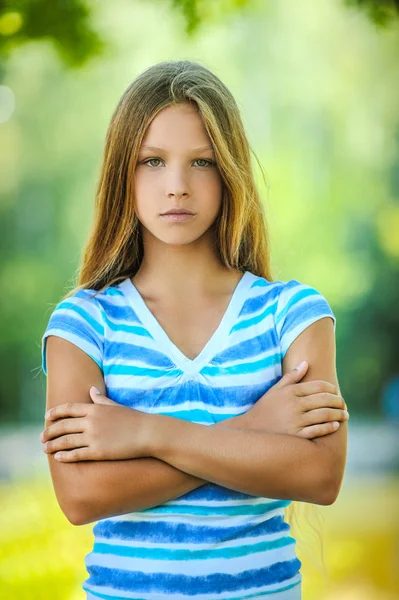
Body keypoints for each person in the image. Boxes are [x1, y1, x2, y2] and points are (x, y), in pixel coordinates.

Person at [40, 60, 348, 600]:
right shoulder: (83, 323)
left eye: (201, 162)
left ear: (228, 172)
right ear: (121, 174)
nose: (176, 187)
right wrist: (255, 429)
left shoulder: (292, 313)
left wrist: (147, 433)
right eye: (152, 162)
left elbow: (320, 475)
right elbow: (82, 496)